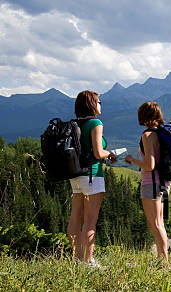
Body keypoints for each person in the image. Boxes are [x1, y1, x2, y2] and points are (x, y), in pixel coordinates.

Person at [125, 102, 171, 261]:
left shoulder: (148, 135)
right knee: (159, 223)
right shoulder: (162, 132)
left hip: (151, 183)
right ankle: (161, 259)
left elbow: (149, 165)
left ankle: (162, 261)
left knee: (155, 224)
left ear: (143, 116)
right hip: (164, 183)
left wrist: (132, 159)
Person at [67, 90, 117, 267]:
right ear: (91, 104)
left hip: (75, 175)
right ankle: (88, 261)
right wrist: (110, 154)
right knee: (90, 220)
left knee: (75, 217)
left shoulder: (75, 124)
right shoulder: (95, 122)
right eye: (98, 101)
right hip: (92, 176)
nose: (100, 104)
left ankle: (76, 259)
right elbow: (97, 152)